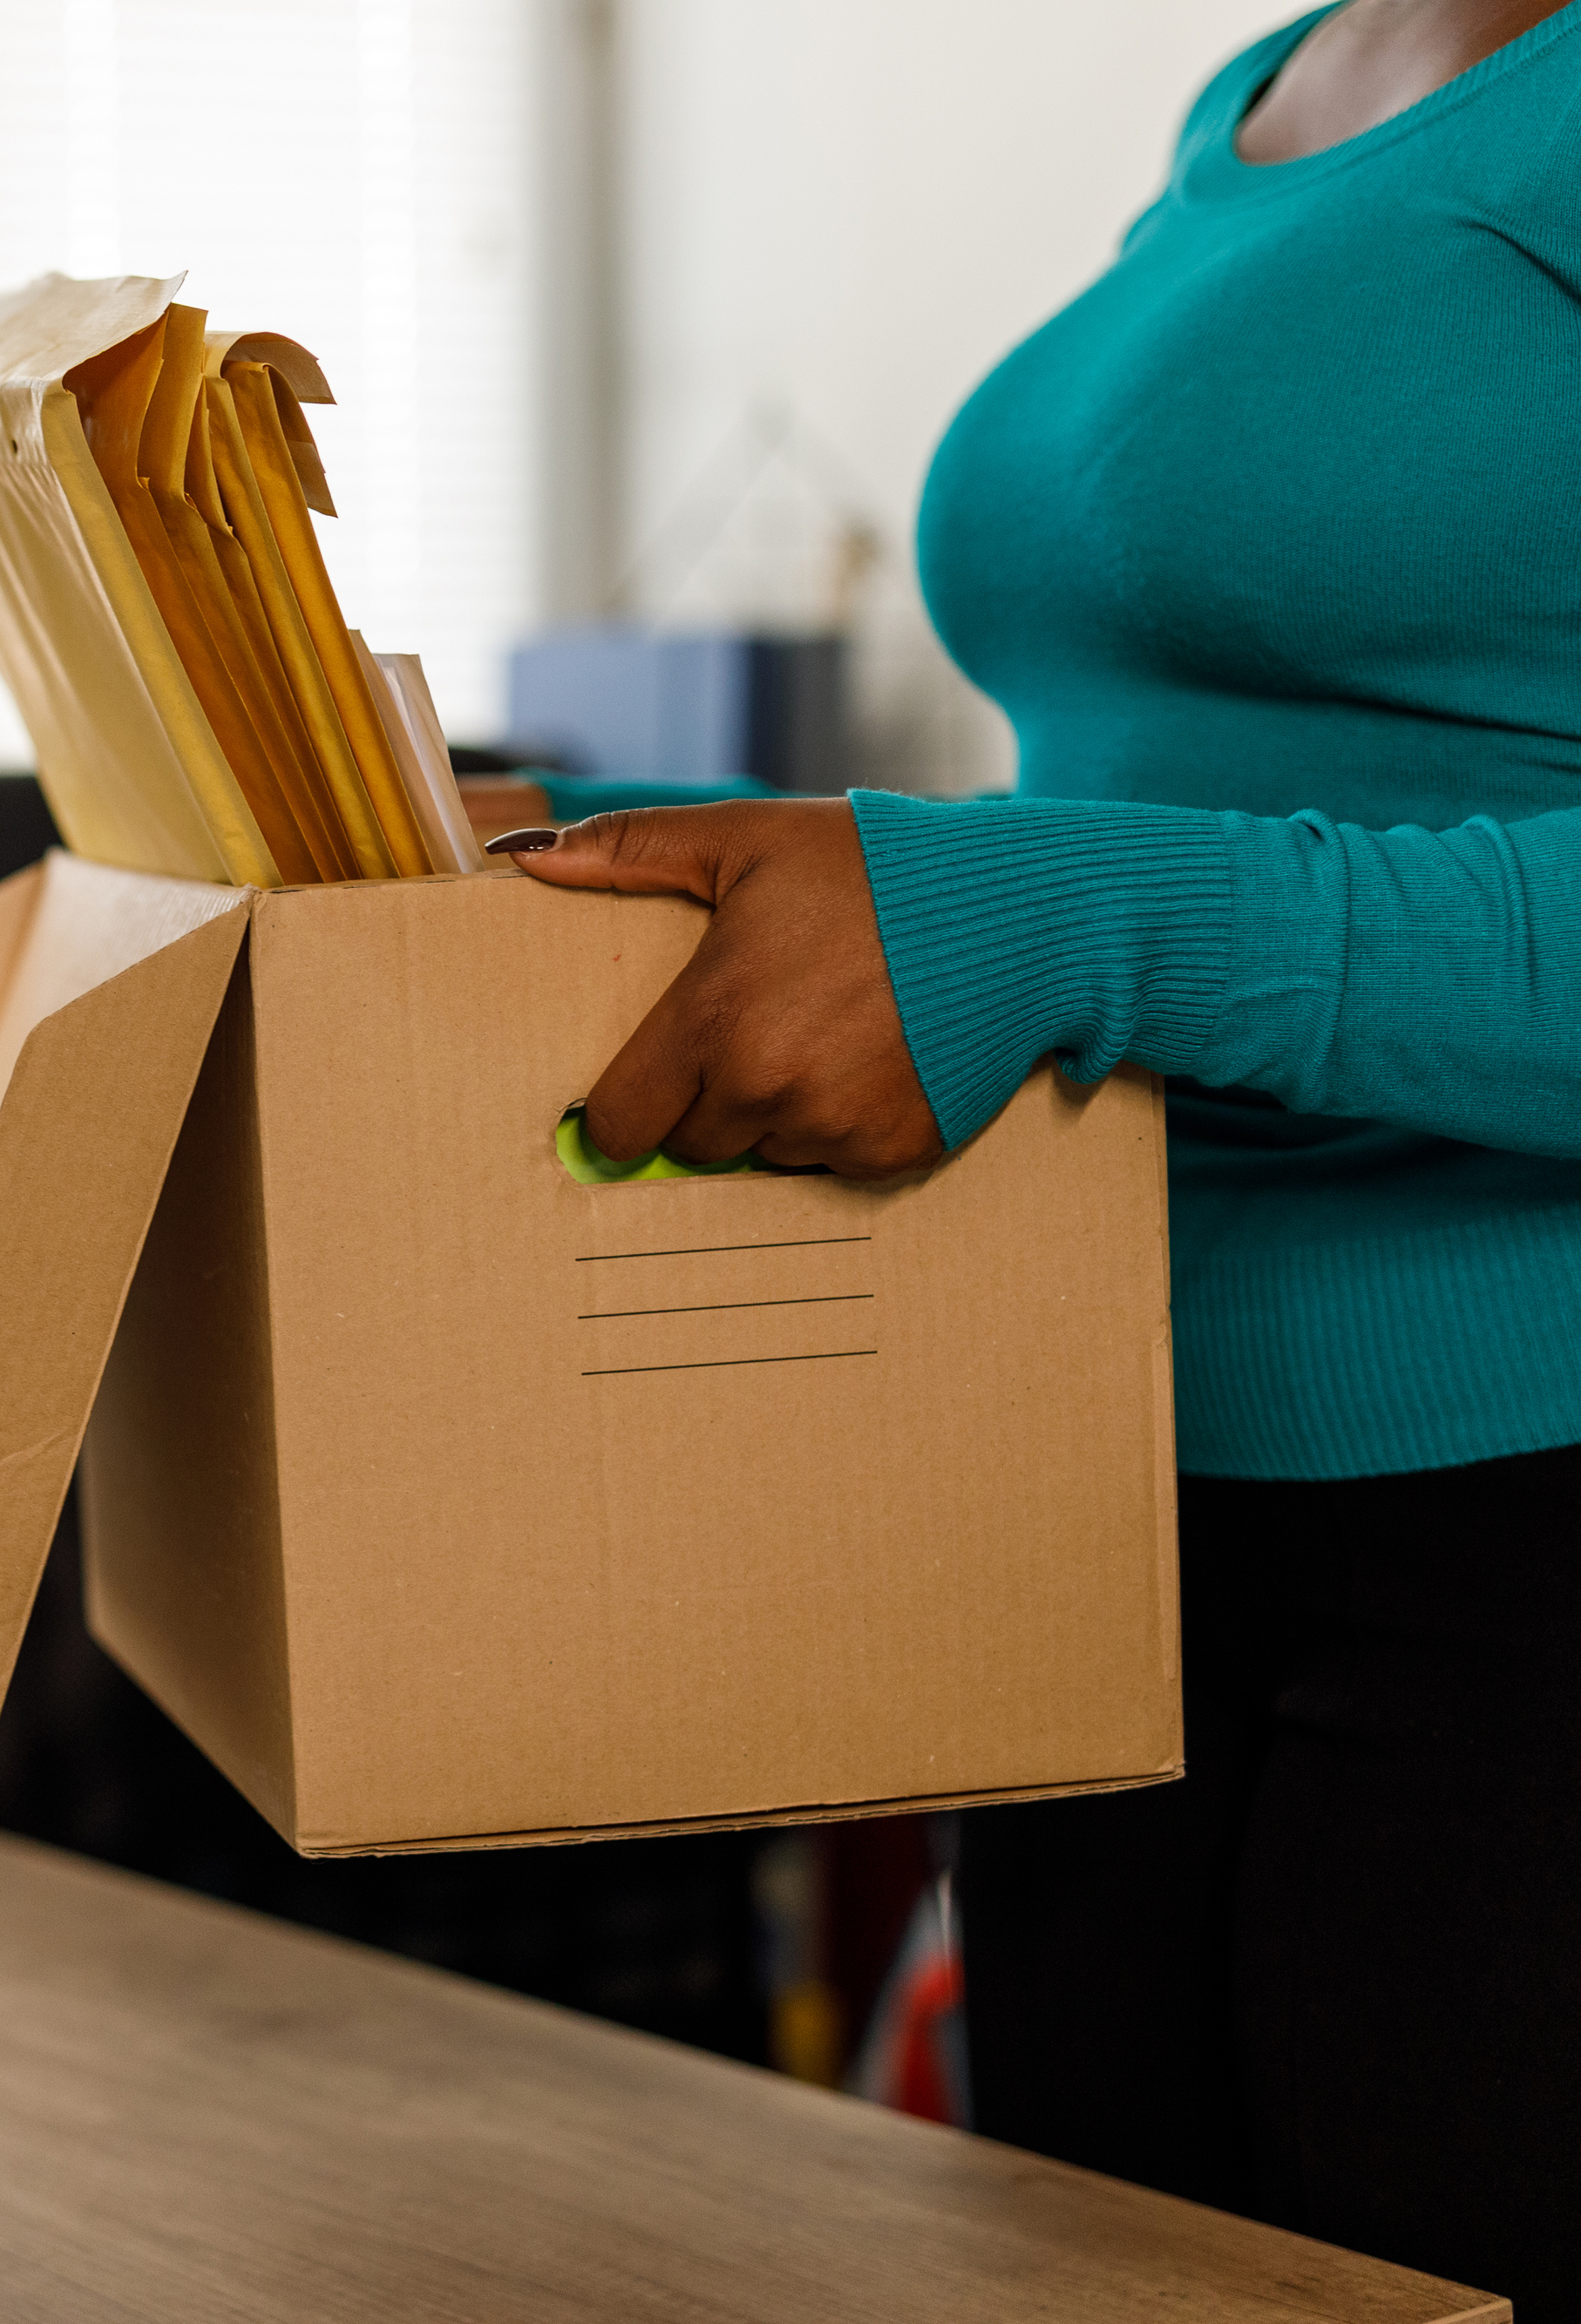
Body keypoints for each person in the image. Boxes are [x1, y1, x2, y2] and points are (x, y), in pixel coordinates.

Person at [484, 1, 1581, 2308]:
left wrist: (1052, 917)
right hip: (1109, 1496)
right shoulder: (1268, 97)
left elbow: (1118, 896)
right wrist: (663, 873)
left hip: (1518, 1528)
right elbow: (1179, 789)